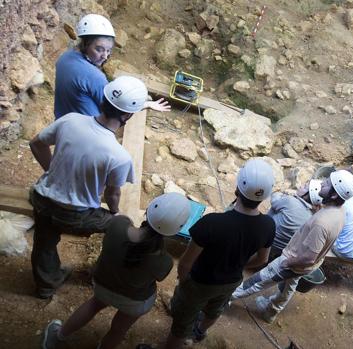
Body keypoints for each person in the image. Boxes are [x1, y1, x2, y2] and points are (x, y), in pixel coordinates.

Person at [29, 75, 148, 299]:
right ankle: (103, 275)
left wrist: (51, 169)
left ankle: (45, 285)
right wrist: (114, 213)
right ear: (128, 114)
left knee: (44, 241)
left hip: (42, 200)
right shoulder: (119, 155)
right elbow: (112, 194)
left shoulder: (70, 120)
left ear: (103, 100)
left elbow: (36, 143)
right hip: (74, 215)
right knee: (122, 225)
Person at [145, 159, 276, 349]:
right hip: (231, 281)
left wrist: (183, 282)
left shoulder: (212, 223)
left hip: (200, 282)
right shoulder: (268, 225)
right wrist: (238, 264)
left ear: (237, 188)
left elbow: (185, 263)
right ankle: (199, 332)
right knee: (215, 309)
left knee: (182, 322)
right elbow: (262, 259)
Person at [41, 193, 191, 349]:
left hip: (103, 285)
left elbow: (128, 233)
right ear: (174, 231)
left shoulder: (118, 224)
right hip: (134, 301)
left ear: (148, 210)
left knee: (93, 305)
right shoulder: (164, 261)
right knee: (119, 329)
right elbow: (156, 275)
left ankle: (58, 336)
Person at [231, 170, 353, 324]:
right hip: (308, 264)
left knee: (257, 281)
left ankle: (226, 298)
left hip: (294, 261)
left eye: (327, 184)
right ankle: (271, 311)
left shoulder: (321, 223)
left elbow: (309, 256)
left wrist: (287, 262)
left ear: (334, 195)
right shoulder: (339, 211)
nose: (322, 184)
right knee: (289, 286)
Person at [54, 14, 169, 119]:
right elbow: (116, 108)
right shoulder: (94, 76)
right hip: (88, 132)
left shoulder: (65, 57)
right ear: (85, 43)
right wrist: (147, 104)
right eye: (99, 49)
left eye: (108, 50)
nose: (105, 56)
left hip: (62, 123)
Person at [267, 179, 323, 261]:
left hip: (266, 242)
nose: (301, 186)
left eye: (305, 187)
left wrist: (281, 193)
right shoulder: (311, 217)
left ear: (308, 194)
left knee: (276, 207)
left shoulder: (290, 201)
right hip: (280, 251)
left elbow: (274, 199)